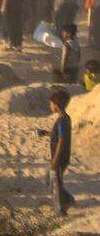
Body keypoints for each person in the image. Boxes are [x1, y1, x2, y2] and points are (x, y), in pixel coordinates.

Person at [46, 87, 74, 216]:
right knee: (57, 181)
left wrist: (55, 161)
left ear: (56, 105)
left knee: (55, 183)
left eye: (51, 104)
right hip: (64, 157)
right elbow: (59, 135)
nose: (50, 106)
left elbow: (62, 140)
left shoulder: (61, 121)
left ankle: (60, 210)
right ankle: (68, 199)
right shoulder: (66, 118)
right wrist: (47, 133)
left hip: (60, 158)